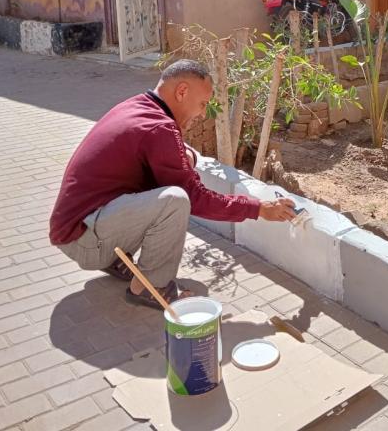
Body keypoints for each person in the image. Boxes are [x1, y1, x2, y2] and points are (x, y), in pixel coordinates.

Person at [49, 59, 296, 308]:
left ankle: (116, 258)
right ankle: (150, 287)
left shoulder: (139, 107)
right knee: (176, 201)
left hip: (80, 227)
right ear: (182, 91)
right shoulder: (159, 128)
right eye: (202, 104)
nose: (201, 114)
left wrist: (186, 157)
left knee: (173, 184)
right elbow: (195, 198)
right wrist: (258, 209)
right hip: (84, 241)